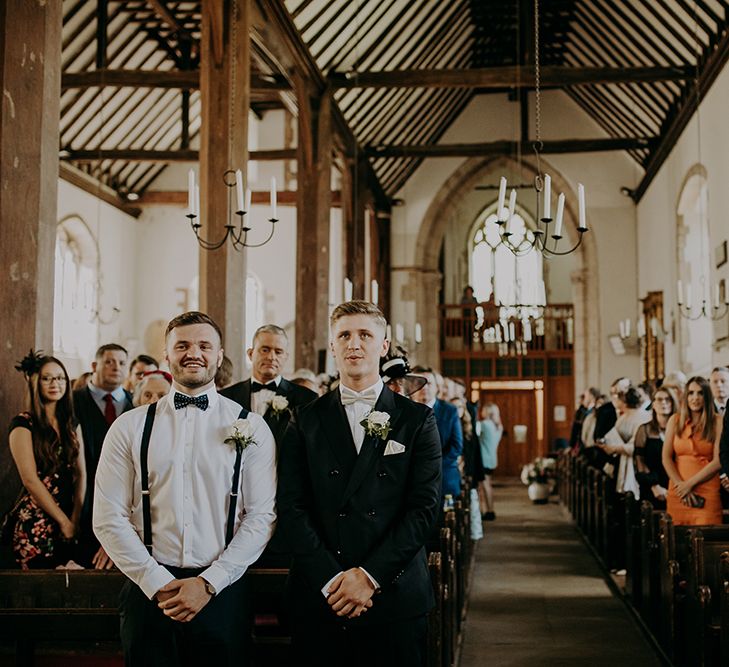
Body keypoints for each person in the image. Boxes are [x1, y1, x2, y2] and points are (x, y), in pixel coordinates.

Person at [93, 311, 277, 666]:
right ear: (167, 354)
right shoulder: (128, 428)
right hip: (148, 591)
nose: (194, 352)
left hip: (223, 590)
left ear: (220, 356)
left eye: (204, 345)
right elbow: (108, 516)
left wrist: (209, 582)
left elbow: (261, 516)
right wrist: (156, 580)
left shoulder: (251, 427)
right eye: (183, 345)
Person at [277, 300, 441, 666]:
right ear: (332, 346)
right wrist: (332, 580)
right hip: (321, 594)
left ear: (383, 346)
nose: (354, 344)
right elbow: (291, 506)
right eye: (344, 335)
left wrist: (369, 577)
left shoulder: (417, 420)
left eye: (365, 335)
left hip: (393, 593)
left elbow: (424, 509)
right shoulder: (304, 420)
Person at [6, 351, 84, 568]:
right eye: (47, 378)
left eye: (60, 378)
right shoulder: (23, 424)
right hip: (37, 519)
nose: (55, 383)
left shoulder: (71, 423)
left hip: (70, 514)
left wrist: (75, 518)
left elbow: (81, 474)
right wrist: (63, 521)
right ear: (35, 383)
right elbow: (30, 479)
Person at [73, 343, 134, 568]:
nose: (116, 367)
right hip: (81, 496)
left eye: (121, 362)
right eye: (109, 361)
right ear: (94, 365)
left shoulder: (135, 403)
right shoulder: (73, 401)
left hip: (123, 497)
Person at [221, 324, 317, 448]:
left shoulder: (307, 399)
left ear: (286, 357)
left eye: (278, 352)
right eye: (265, 350)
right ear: (250, 354)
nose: (272, 357)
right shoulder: (226, 397)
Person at [662, 376, 723, 526]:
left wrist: (690, 484)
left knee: (706, 541)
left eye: (700, 393)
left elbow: (718, 460)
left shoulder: (717, 421)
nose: (695, 398)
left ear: (707, 396)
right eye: (691, 393)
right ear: (685, 396)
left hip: (707, 492)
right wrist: (680, 485)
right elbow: (666, 457)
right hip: (679, 491)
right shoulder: (675, 420)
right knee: (677, 542)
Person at [411, 365, 463, 498]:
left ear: (437, 387)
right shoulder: (403, 411)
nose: (425, 387)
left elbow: (456, 446)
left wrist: (432, 467)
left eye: (429, 383)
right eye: (419, 382)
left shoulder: (449, 410)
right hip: (411, 481)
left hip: (444, 476)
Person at [596, 386, 652, 497]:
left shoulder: (625, 419)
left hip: (636, 461)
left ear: (624, 402)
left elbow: (636, 446)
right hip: (630, 460)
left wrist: (613, 448)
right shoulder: (646, 416)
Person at [635, 386, 677, 508]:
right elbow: (640, 462)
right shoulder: (644, 430)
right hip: (652, 487)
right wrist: (654, 486)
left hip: (676, 485)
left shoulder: (680, 429)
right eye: (659, 399)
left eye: (667, 399)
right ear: (653, 404)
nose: (663, 403)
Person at [477, 402, 503, 520]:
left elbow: (474, 434)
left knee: (484, 485)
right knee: (488, 485)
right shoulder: (498, 426)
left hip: (483, 458)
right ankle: (489, 509)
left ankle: (488, 511)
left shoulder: (484, 424)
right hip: (492, 458)